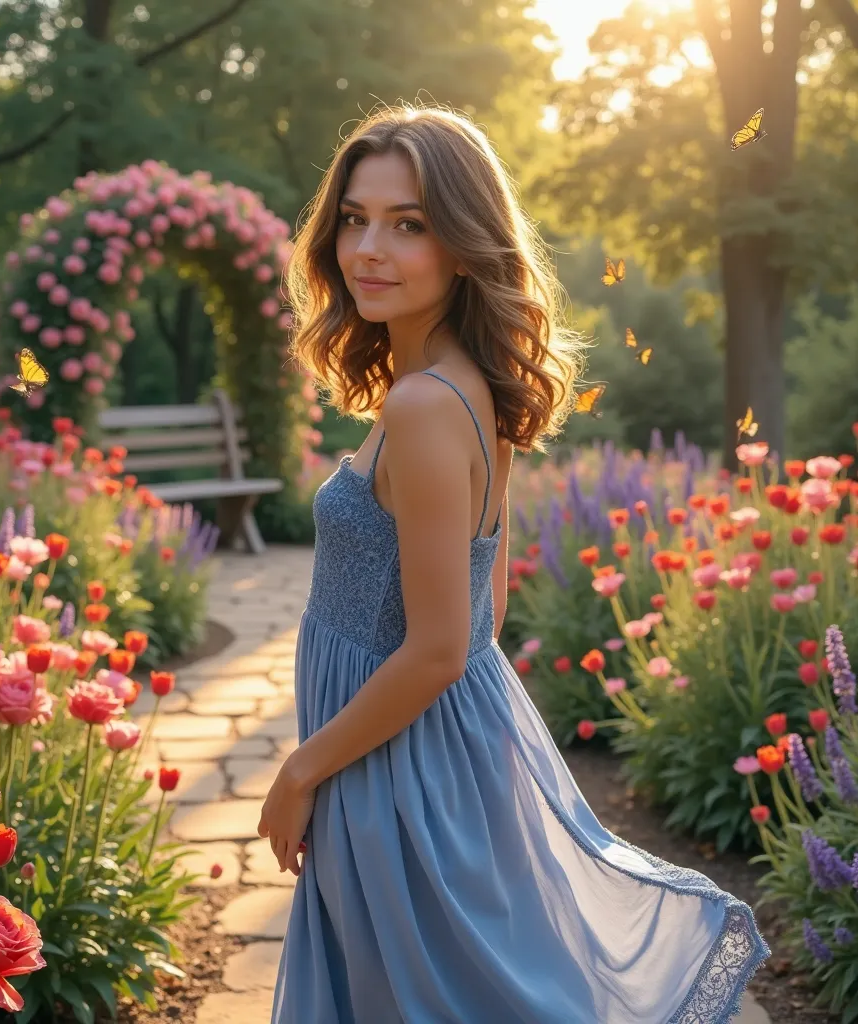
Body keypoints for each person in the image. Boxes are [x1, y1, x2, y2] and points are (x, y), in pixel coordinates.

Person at [258, 103, 770, 1023]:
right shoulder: (469, 387)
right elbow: (484, 608)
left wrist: (307, 768)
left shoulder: (423, 404)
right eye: (354, 218)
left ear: (463, 243)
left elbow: (441, 647)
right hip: (423, 747)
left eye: (408, 224)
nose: (368, 247)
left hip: (389, 758)